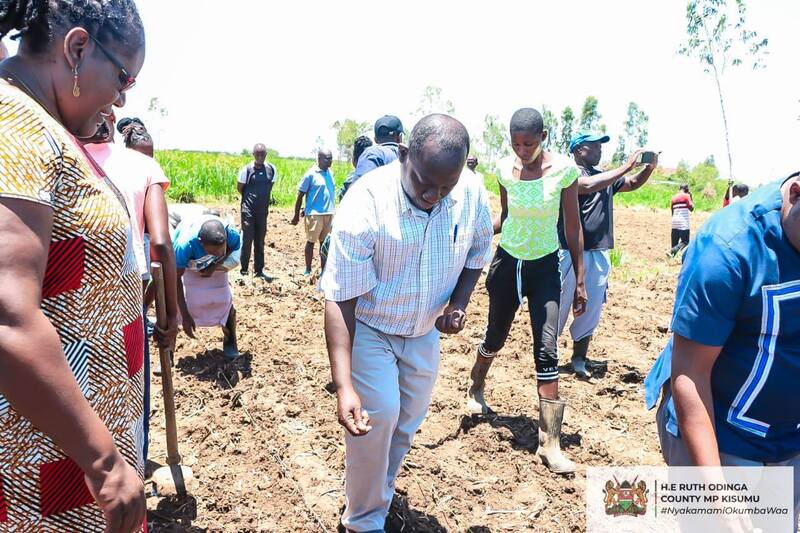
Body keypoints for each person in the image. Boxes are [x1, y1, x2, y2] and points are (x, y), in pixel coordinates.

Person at [0, 1, 147, 531]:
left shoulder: (44, 125)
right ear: (78, 48)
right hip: (42, 464)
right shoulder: (13, 127)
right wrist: (105, 464)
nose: (123, 97)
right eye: (124, 76)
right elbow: (8, 319)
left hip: (74, 456)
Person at [322, 114, 493, 532]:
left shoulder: (470, 193)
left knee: (406, 421)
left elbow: (477, 253)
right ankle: (363, 521)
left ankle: (378, 488)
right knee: (377, 416)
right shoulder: (366, 202)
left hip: (424, 331)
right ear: (403, 156)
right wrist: (344, 385)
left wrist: (458, 303)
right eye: (423, 183)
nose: (434, 195)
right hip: (371, 326)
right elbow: (340, 298)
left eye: (445, 187)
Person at [645, 171, 800, 527]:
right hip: (722, 432)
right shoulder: (728, 247)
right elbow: (690, 373)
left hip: (789, 437)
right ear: (796, 192)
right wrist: (717, 496)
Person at [465, 108, 587, 474]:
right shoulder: (503, 170)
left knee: (547, 348)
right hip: (508, 264)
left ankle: (550, 443)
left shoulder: (564, 171)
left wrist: (579, 280)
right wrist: (480, 235)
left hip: (545, 266)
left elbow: (572, 224)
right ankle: (475, 388)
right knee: (495, 336)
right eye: (516, 143)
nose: (522, 150)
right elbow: (507, 214)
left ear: (544, 137)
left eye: (529, 143)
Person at [85, 114, 179, 466]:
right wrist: (168, 317)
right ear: (111, 118)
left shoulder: (66, 153)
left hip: (74, 295)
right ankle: (133, 470)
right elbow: (162, 246)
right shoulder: (143, 166)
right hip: (128, 291)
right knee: (132, 390)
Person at [556, 133, 657, 378]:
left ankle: (579, 357)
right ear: (579, 150)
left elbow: (631, 184)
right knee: (557, 304)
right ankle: (547, 355)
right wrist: (626, 166)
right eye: (594, 146)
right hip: (568, 250)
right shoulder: (569, 174)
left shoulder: (604, 176)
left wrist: (648, 169)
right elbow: (587, 186)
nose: (600, 150)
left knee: (590, 308)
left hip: (598, 251)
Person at [173, 215, 242, 360]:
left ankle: (230, 341)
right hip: (188, 260)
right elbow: (176, 279)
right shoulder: (185, 245)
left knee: (224, 299)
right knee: (175, 305)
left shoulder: (231, 235)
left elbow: (231, 248)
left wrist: (214, 264)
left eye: (220, 251)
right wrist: (185, 315)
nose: (216, 254)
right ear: (201, 243)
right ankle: (168, 352)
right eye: (212, 252)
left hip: (212, 263)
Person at [291, 149, 335, 276]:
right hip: (314, 214)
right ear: (319, 159)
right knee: (311, 242)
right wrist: (296, 214)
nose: (330, 161)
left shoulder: (330, 173)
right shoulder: (310, 174)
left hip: (329, 213)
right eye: (327, 158)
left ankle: (324, 270)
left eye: (331, 158)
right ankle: (308, 269)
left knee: (325, 243)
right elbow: (300, 195)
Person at [237, 143, 277, 279]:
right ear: (253, 155)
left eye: (262, 154)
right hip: (248, 210)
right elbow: (240, 188)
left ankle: (259, 271)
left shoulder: (271, 169)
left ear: (266, 155)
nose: (260, 157)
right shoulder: (246, 170)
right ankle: (244, 270)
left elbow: (270, 186)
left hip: (262, 211)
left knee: (260, 241)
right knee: (247, 239)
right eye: (257, 154)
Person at [340, 114, 404, 195]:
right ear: (399, 137)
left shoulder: (374, 153)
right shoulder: (410, 156)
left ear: (375, 140)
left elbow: (357, 192)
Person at [669, 183, 694, 256]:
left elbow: (672, 211)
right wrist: (691, 197)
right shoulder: (686, 196)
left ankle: (672, 257)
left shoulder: (673, 197)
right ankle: (672, 252)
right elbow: (691, 208)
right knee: (685, 242)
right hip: (683, 223)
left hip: (674, 221)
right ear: (686, 189)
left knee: (674, 243)